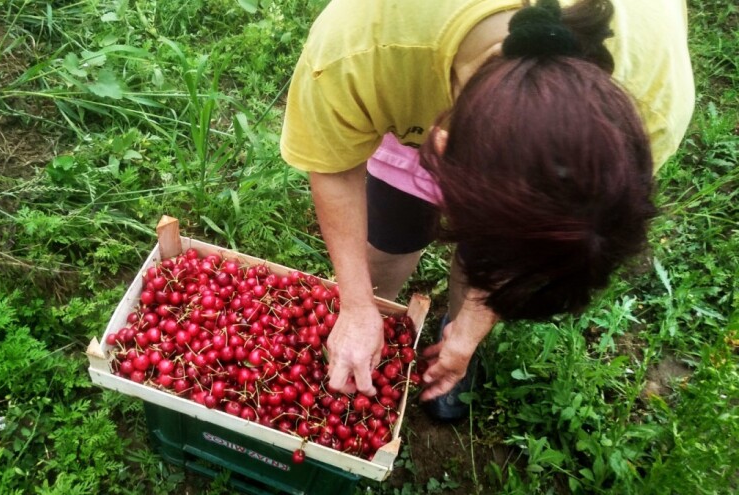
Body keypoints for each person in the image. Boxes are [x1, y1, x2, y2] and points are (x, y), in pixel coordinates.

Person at [280, 0, 694, 420]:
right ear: (435, 145)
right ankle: (370, 313)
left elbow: (541, 242)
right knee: (393, 225)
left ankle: (451, 330)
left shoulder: (648, 107)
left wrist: (473, 325)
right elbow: (335, 168)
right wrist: (355, 303)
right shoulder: (358, 46)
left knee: (488, 258)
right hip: (406, 68)